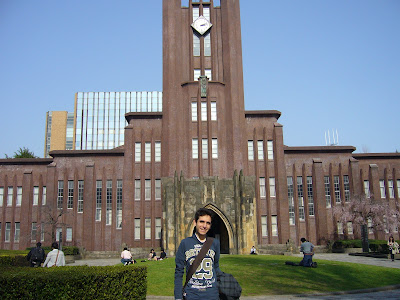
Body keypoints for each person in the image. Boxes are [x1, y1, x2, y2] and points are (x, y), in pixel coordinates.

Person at [174, 208, 221, 300]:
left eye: (208, 223)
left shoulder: (215, 243)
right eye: (201, 222)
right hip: (192, 295)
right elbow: (179, 272)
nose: (204, 226)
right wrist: (178, 297)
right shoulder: (185, 243)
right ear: (195, 222)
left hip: (212, 295)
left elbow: (216, 267)